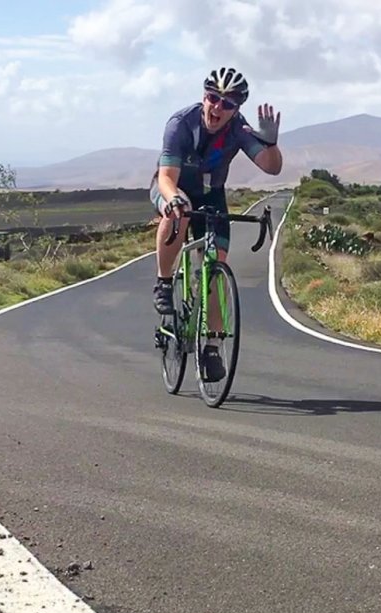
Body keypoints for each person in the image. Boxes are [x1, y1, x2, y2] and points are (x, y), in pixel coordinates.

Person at [149, 66, 282, 381]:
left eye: (228, 104)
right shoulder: (181, 124)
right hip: (172, 187)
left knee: (216, 271)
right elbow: (167, 178)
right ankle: (164, 282)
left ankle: (211, 346)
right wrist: (173, 199)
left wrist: (272, 144)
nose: (217, 108)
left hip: (213, 195)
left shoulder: (238, 129)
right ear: (204, 97)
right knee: (178, 213)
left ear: (237, 108)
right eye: (212, 98)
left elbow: (271, 168)